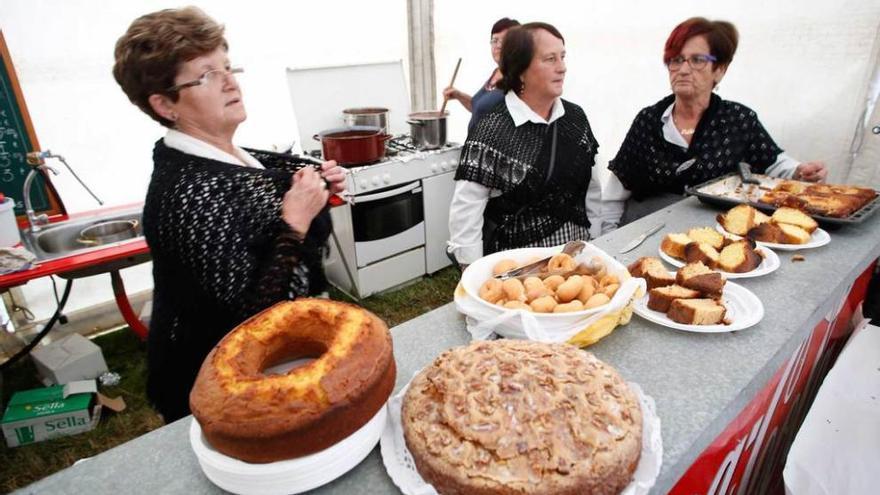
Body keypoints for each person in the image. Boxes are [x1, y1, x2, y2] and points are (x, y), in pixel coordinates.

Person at [112, 7, 346, 422]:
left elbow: (276, 214)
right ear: (165, 104)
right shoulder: (187, 194)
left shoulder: (236, 157)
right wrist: (294, 222)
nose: (229, 81)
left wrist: (316, 190)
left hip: (276, 362)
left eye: (227, 65)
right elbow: (250, 323)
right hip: (217, 383)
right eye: (206, 75)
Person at [603, 17, 828, 230]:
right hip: (642, 231)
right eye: (676, 60)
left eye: (697, 60)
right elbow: (615, 192)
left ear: (719, 70)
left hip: (708, 236)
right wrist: (607, 240)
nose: (683, 69)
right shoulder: (649, 121)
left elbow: (775, 165)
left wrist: (801, 172)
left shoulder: (738, 120)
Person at [446, 22, 602, 268]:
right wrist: (473, 270)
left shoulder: (575, 118)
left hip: (575, 257)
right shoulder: (493, 127)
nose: (562, 67)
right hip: (519, 266)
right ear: (520, 69)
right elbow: (467, 209)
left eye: (562, 56)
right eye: (550, 59)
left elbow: (591, 187)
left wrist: (595, 244)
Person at [443, 17, 520, 133]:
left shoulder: (520, 77)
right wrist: (458, 95)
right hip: (477, 148)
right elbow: (478, 108)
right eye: (494, 40)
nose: (498, 46)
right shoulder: (496, 73)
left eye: (504, 41)